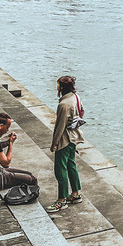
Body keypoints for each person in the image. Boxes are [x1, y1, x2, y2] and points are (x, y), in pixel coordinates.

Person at [47, 75, 85, 213]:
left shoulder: (63, 105)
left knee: (60, 169)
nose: (56, 87)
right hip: (74, 136)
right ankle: (76, 194)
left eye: (58, 85)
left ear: (62, 87)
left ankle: (61, 200)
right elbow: (82, 112)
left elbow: (60, 126)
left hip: (65, 139)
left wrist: (54, 144)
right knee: (71, 165)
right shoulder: (76, 97)